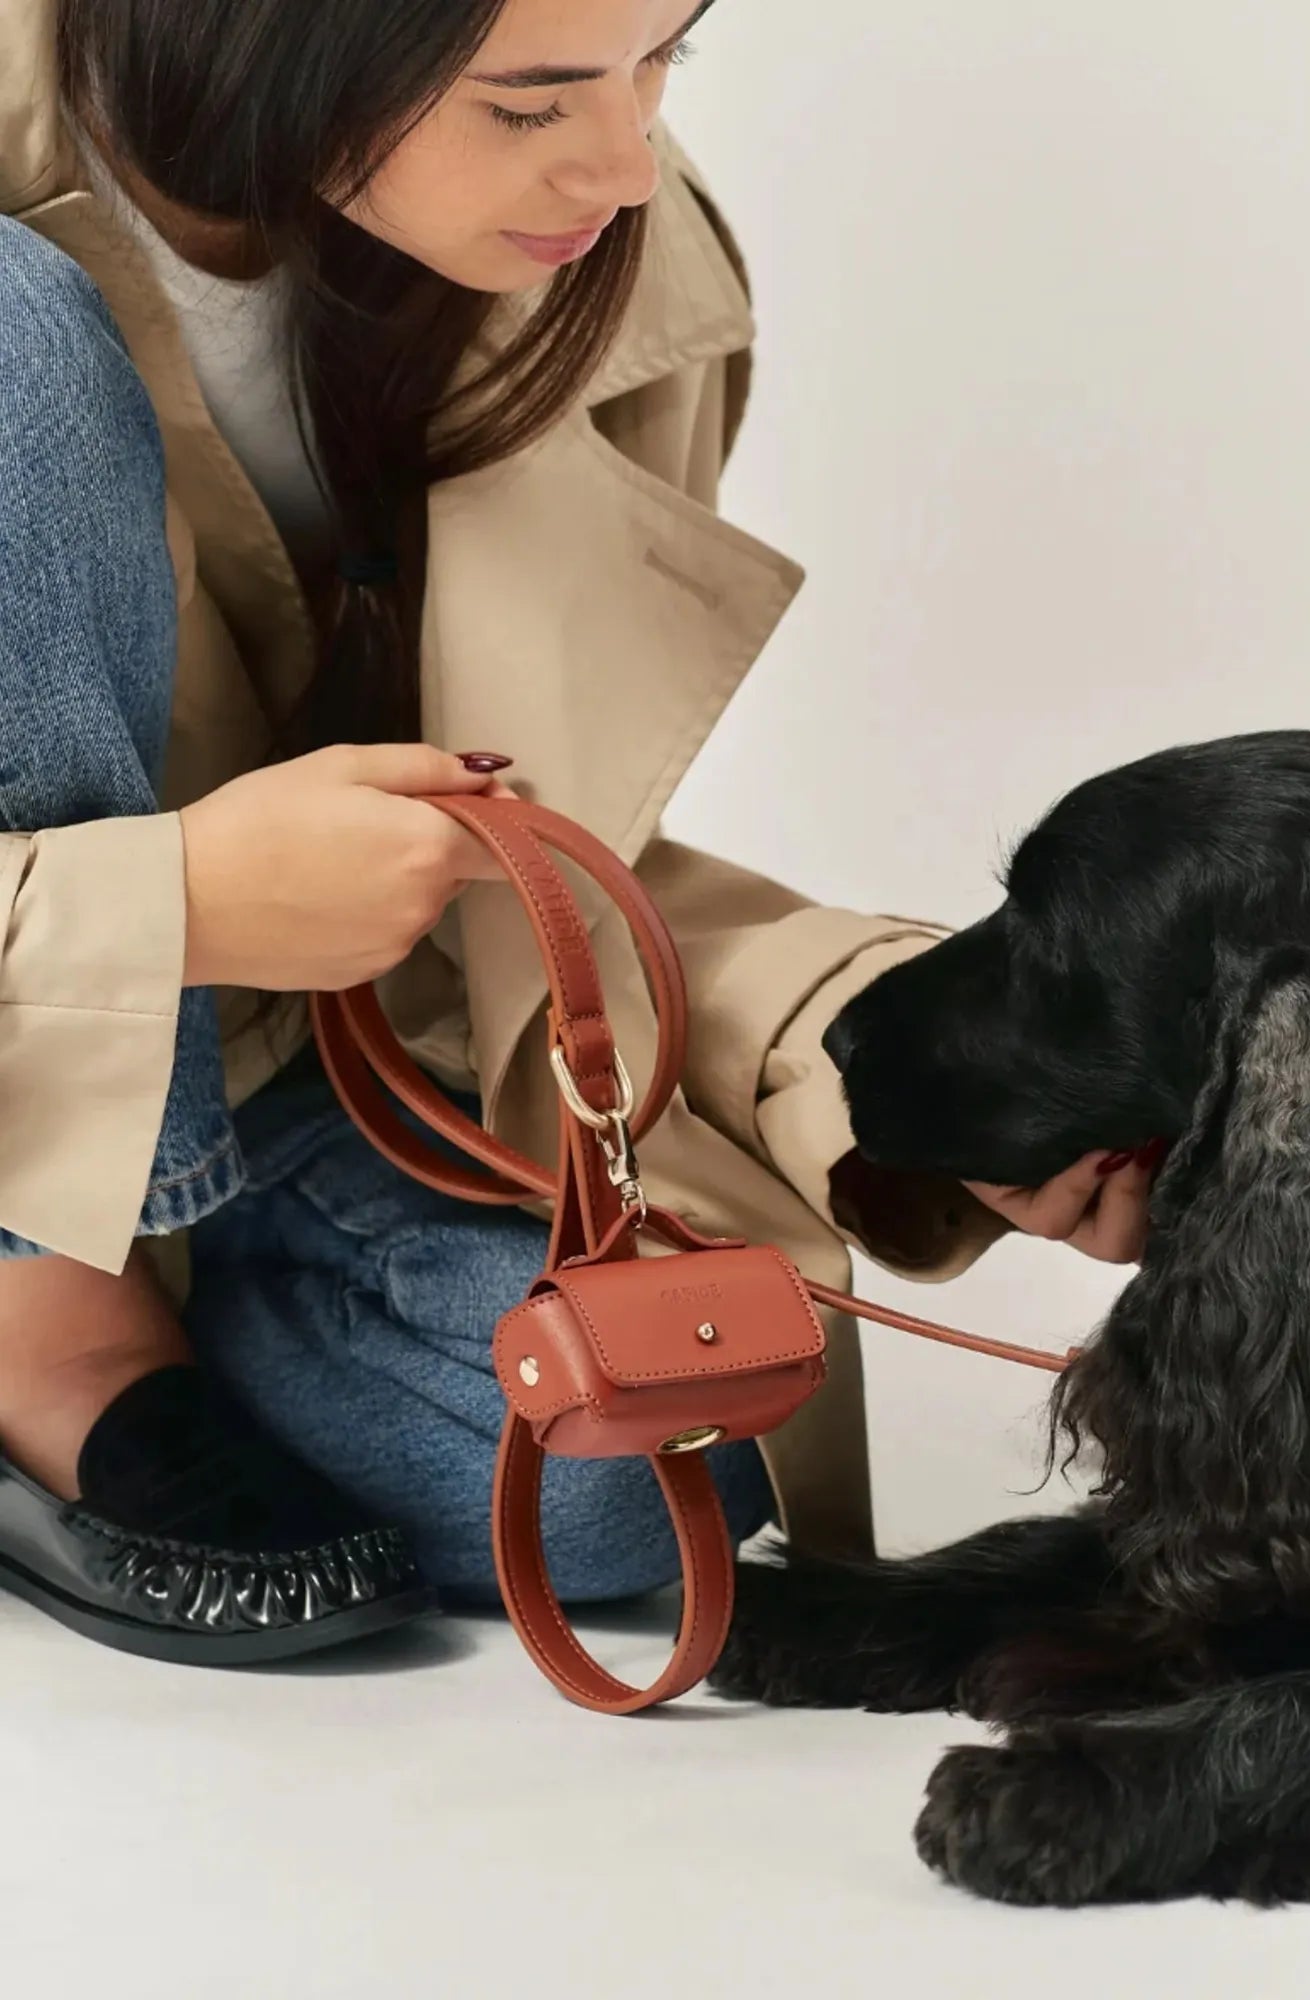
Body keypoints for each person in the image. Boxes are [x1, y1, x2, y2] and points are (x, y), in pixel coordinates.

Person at [0, 0, 1157, 1664]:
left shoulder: (606, 265)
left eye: (666, 55)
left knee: (625, 1468)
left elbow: (521, 866)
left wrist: (915, 1062)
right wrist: (169, 907)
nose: (628, 163)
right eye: (532, 101)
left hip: (310, 1068)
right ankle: (57, 1323)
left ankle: (190, 1289)